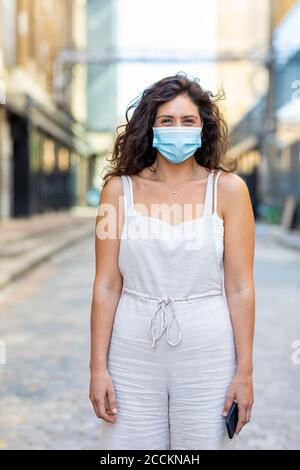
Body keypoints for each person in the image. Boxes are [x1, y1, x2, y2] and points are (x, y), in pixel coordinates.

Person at [89, 72, 255, 450]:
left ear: (203, 128)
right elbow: (106, 283)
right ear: (150, 127)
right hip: (131, 347)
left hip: (208, 347)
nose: (177, 129)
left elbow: (240, 286)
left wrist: (244, 371)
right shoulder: (117, 191)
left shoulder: (229, 190)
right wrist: (98, 367)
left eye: (187, 120)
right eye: (167, 120)